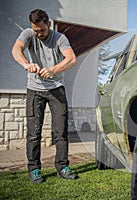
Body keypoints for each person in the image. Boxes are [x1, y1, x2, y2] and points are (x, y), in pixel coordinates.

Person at [12, 9, 78, 183]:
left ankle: (62, 167)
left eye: (41, 30)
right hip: (34, 89)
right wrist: (26, 64)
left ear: (48, 24)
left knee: (61, 131)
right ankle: (34, 169)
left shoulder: (59, 38)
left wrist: (53, 70)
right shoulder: (28, 34)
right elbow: (16, 50)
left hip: (56, 88)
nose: (38, 34)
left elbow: (71, 58)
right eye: (35, 30)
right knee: (34, 133)